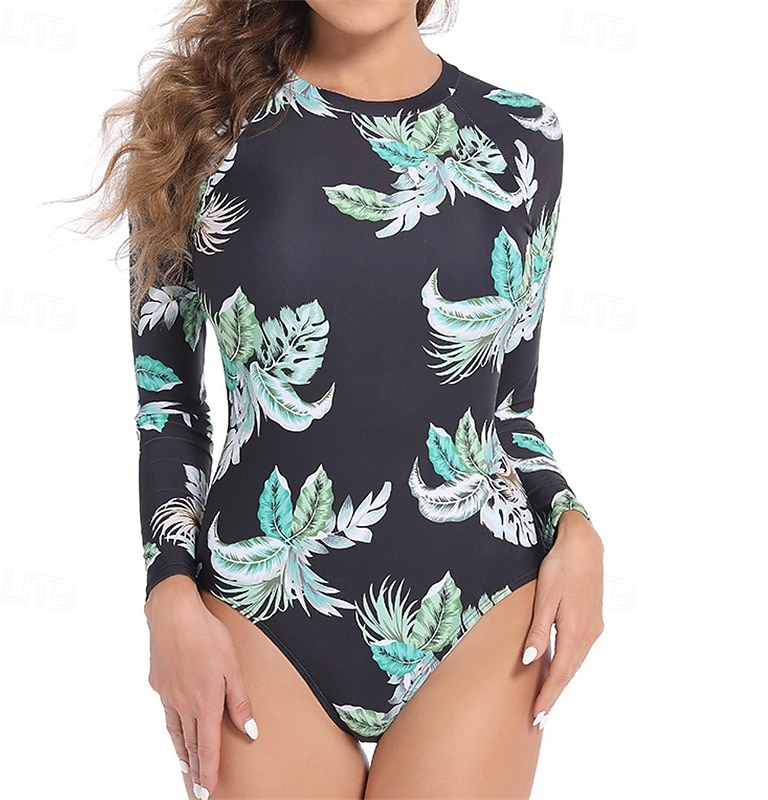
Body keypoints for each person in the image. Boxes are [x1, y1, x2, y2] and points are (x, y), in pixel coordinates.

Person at [78, 1, 605, 797]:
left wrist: (574, 524)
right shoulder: (199, 134)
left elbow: (507, 409)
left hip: (484, 607)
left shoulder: (524, 135)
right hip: (258, 612)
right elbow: (170, 408)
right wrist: (168, 592)